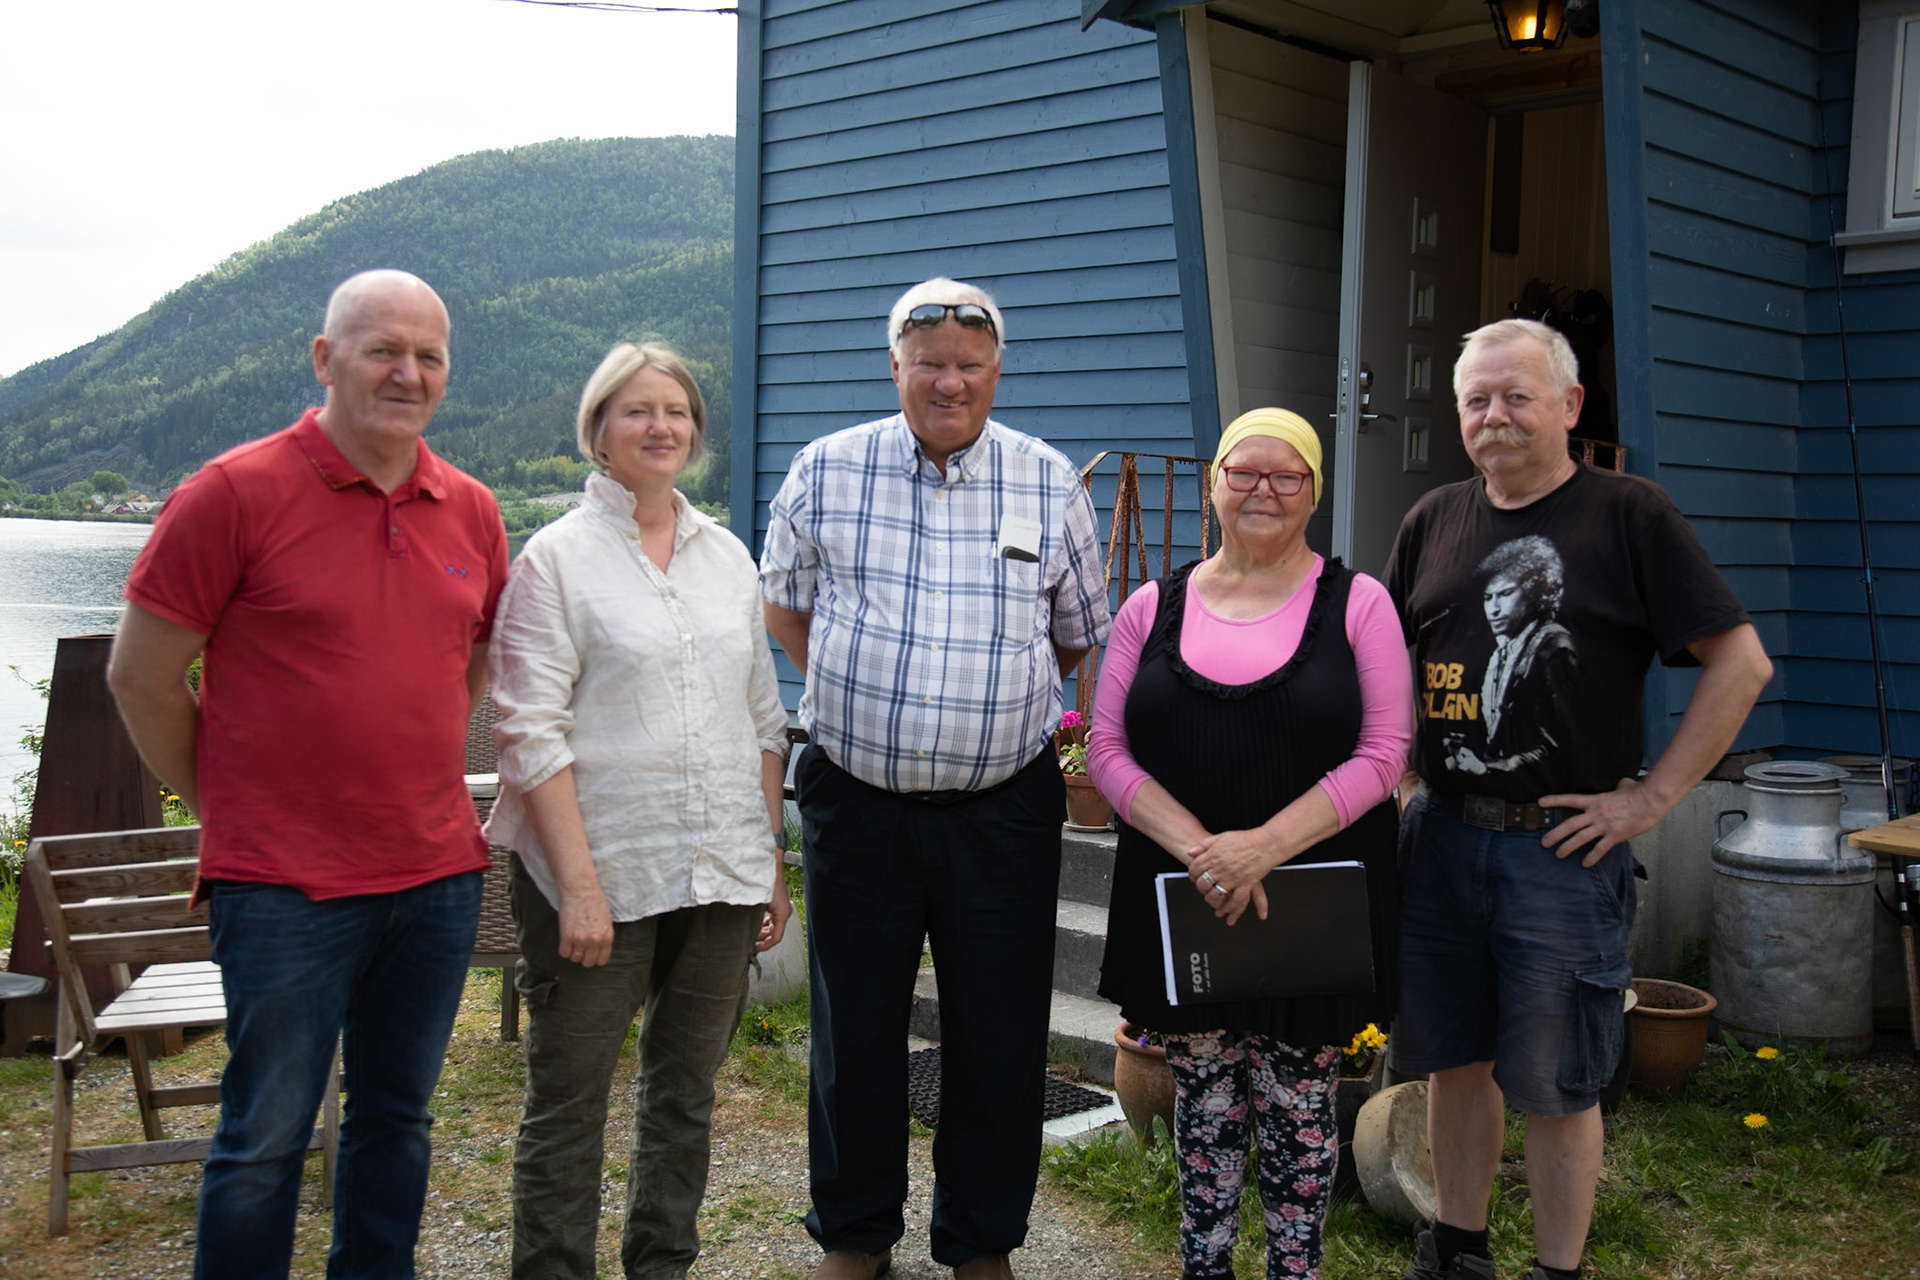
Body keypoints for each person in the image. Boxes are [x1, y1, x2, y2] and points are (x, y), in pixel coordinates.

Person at [107, 269, 508, 1277]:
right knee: (265, 1137)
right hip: (283, 883)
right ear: (326, 359)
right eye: (383, 349)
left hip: (434, 876)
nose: (407, 373)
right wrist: (225, 804)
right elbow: (142, 675)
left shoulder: (470, 509)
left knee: (397, 1122)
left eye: (428, 355)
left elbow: (467, 665)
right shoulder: (233, 492)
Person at [1385, 319, 1772, 1280]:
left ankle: (1558, 1270)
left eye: (1517, 395)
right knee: (1453, 1063)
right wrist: (1399, 778)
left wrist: (1649, 801)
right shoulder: (1432, 518)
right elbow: (1390, 658)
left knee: (1558, 1084)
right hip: (1438, 842)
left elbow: (1741, 663)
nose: (1494, 416)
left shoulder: (1629, 515)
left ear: (1569, 405)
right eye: (1476, 398)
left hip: (1557, 854)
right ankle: (1458, 1252)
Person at [759, 277, 1111, 1280]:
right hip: (857, 800)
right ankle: (857, 1233)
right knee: (855, 1029)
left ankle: (980, 1238)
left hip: (1002, 810)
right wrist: (857, 676)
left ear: (996, 372)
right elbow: (783, 605)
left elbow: (1079, 630)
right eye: (930, 363)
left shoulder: (1047, 481)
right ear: (896, 367)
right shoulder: (828, 469)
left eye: (969, 364)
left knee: (999, 1033)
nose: (949, 380)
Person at [485, 342, 794, 1279]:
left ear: (695, 433)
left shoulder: (728, 555)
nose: (661, 427)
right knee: (569, 1102)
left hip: (722, 870)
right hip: (599, 875)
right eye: (637, 411)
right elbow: (529, 731)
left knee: (684, 1097)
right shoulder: (556, 560)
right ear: (599, 431)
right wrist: (579, 890)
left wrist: (772, 862)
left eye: (677, 411)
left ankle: (662, 1265)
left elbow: (764, 720)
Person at [1088, 407, 1413, 1280]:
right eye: (1244, 472)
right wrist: (1204, 851)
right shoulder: (1151, 606)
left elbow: (1385, 753)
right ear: (1213, 483)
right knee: (1201, 1101)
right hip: (1185, 893)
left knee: (1300, 1104)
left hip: (1310, 901)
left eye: (1287, 475)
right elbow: (1108, 752)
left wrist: (1261, 847)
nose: (1263, 490)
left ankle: (1294, 1269)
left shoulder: (1359, 603)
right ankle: (1205, 1266)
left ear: (1314, 491)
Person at [1448, 536, 1578, 779]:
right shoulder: (1501, 652)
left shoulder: (1554, 649)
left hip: (1545, 808)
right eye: (1488, 598)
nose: (1494, 609)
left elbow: (1564, 746)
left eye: (1505, 593)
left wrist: (1487, 769)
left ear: (1534, 591)